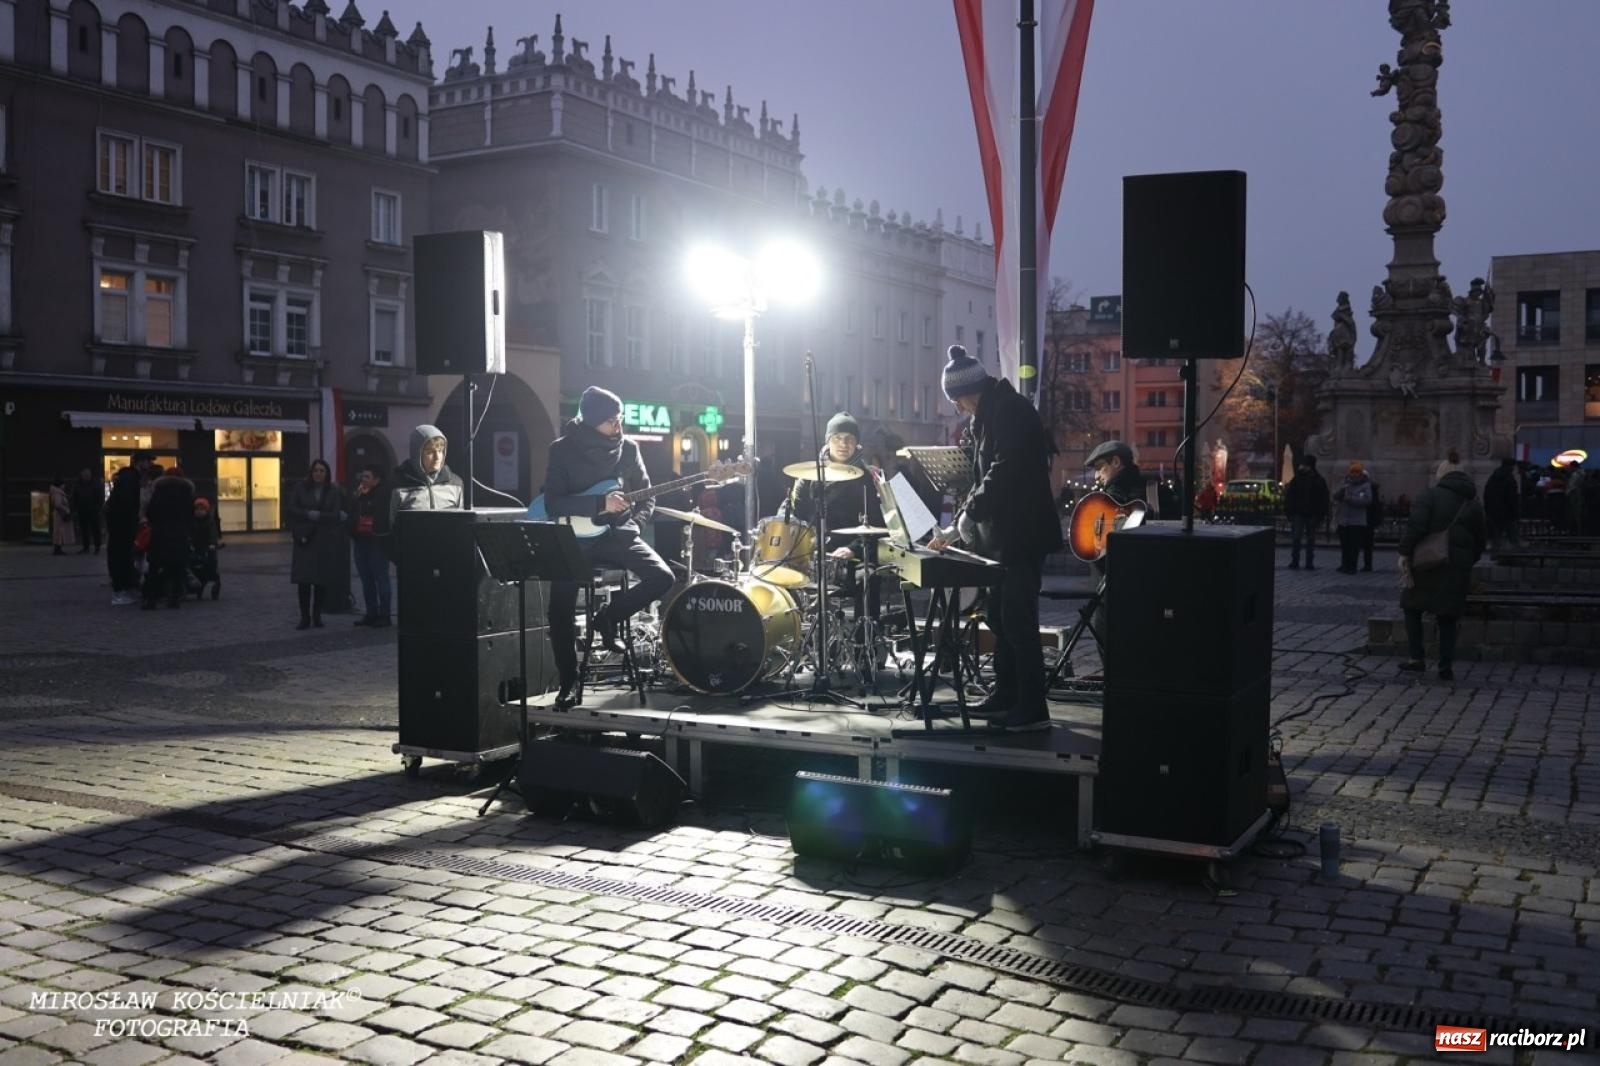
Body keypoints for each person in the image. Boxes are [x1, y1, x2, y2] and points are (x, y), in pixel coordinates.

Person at [928, 346, 1063, 733]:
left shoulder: (1012, 412)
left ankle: (1034, 706)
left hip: (1021, 537)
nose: (958, 409)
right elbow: (985, 475)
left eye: (956, 401)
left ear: (967, 393)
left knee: (1019, 621)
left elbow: (1003, 471)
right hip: (1002, 538)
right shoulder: (990, 415)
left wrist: (968, 516)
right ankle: (1006, 694)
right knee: (998, 616)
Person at [541, 387, 675, 706]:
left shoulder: (627, 448)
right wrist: (599, 502)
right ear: (591, 421)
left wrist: (635, 525)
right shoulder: (562, 450)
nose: (619, 426)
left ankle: (608, 617)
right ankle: (569, 683)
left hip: (617, 534)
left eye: (621, 419)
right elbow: (553, 502)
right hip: (573, 538)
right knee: (558, 608)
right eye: (612, 421)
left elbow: (647, 494)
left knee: (663, 577)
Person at [1396, 468, 1487, 681]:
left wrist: (1405, 551)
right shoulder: (1473, 504)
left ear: (1442, 479)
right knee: (1447, 617)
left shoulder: (1429, 495)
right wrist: (1465, 561)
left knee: (1412, 607)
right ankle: (1445, 666)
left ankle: (1416, 657)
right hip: (1457, 566)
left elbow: (1416, 525)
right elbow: (1481, 540)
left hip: (1426, 563)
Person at [287, 459, 346, 629]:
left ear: (326, 473)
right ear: (311, 473)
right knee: (304, 580)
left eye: (321, 471)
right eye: (315, 471)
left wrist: (319, 516)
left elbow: (335, 514)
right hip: (305, 539)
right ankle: (305, 617)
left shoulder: (333, 491)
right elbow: (292, 509)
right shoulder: (301, 488)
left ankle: (317, 616)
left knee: (321, 580)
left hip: (324, 539)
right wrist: (307, 514)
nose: (318, 474)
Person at [142, 465, 194, 608]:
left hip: (160, 534)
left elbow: (150, 512)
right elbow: (190, 514)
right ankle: (174, 599)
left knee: (155, 566)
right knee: (177, 567)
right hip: (179, 535)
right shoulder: (186, 492)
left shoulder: (159, 491)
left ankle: (151, 599)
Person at [348, 464, 394, 627]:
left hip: (376, 541)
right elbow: (351, 511)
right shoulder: (360, 493)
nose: (363, 480)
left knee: (381, 578)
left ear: (377, 479)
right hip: (360, 540)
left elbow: (382, 515)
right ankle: (371, 613)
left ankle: (385, 615)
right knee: (366, 579)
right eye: (363, 476)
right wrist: (357, 497)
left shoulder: (383, 493)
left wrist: (367, 500)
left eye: (367, 477)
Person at [392, 424, 464, 515]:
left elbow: (462, 524)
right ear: (417, 454)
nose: (437, 457)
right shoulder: (396, 486)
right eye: (430, 452)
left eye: (440, 451)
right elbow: (384, 526)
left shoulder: (456, 483)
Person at [105, 453, 148, 605]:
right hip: (123, 526)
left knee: (122, 557)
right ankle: (120, 591)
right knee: (121, 557)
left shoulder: (128, 478)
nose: (148, 465)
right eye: (146, 462)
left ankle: (124, 589)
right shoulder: (130, 479)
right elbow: (125, 505)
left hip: (121, 525)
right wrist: (131, 522)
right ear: (139, 463)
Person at [1283, 455, 1330, 570]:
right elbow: (1289, 497)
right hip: (1299, 513)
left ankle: (1308, 561)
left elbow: (1323, 498)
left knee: (1310, 538)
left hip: (1311, 513)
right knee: (1297, 538)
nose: (1301, 466)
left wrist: (1321, 514)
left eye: (1304, 465)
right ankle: (1295, 560)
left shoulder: (1317, 480)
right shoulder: (1297, 479)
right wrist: (1290, 511)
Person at [1332, 461, 1373, 574]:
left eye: (1356, 472)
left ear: (1360, 473)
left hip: (1357, 520)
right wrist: (1340, 492)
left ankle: (1352, 566)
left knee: (1354, 545)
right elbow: (1335, 495)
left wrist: (1351, 499)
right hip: (1343, 519)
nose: (1354, 474)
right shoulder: (1345, 482)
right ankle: (1344, 564)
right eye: (1352, 472)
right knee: (1345, 544)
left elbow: (1367, 500)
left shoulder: (1365, 485)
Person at [1482, 457, 1520, 551]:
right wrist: (1516, 512)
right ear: (1512, 467)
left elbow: (1486, 494)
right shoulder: (1510, 479)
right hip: (1507, 513)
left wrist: (1488, 510)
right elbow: (1512, 498)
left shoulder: (1493, 478)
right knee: (1512, 537)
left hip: (1493, 512)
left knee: (1496, 537)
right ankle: (1513, 555)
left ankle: (1497, 555)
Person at [189, 497, 221, 599]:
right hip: (195, 547)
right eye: (197, 509)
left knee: (209, 565)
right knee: (194, 564)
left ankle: (211, 582)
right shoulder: (192, 521)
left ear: (206, 511)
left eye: (202, 510)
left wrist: (212, 544)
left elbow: (212, 534)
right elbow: (190, 533)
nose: (199, 512)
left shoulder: (210, 522)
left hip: (206, 547)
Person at [71, 469, 103, 554]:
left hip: (93, 510)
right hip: (82, 510)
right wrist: (74, 508)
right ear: (81, 476)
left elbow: (99, 496)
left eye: (87, 476)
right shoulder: (78, 485)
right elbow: (74, 497)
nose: (86, 477)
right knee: (84, 529)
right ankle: (86, 547)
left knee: (95, 529)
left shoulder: (95, 484)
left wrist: (98, 507)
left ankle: (97, 547)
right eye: (84, 476)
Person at [1362, 470, 1383, 572]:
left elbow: (1374, 505)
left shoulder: (1371, 489)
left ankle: (1368, 564)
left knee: (1367, 544)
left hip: (1368, 519)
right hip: (1361, 519)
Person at [49, 477, 74, 555]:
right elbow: (58, 504)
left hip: (58, 514)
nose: (65, 486)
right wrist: (65, 510)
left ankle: (58, 548)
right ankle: (58, 548)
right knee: (59, 531)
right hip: (60, 515)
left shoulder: (55, 492)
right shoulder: (58, 493)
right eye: (63, 484)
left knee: (58, 531)